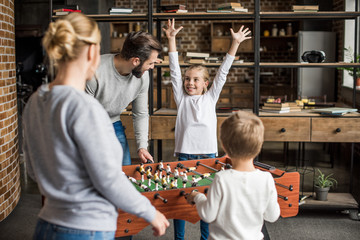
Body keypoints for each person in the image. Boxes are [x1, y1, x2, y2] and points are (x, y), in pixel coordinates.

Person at [22, 12, 169, 239]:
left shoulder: (34, 100)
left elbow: (33, 170)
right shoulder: (88, 109)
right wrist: (151, 212)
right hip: (88, 228)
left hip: (47, 225)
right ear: (92, 52)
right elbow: (109, 180)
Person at [162, 19, 251, 240]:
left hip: (208, 157)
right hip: (184, 155)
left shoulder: (211, 99)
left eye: (195, 80)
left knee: (207, 203)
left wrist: (235, 43)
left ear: (206, 84)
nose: (189, 83)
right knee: (181, 202)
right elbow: (174, 71)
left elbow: (223, 72)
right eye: (188, 79)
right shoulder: (181, 99)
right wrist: (171, 39)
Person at [186, 111, 281, 240]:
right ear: (260, 146)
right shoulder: (266, 179)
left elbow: (208, 215)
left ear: (224, 147)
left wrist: (198, 197)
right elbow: (272, 216)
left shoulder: (221, 179)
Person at [85, 31, 162, 165]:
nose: (152, 67)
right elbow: (83, 116)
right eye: (150, 63)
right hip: (90, 124)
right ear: (136, 61)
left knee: (125, 169)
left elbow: (141, 114)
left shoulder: (143, 77)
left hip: (114, 122)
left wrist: (142, 146)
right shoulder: (95, 71)